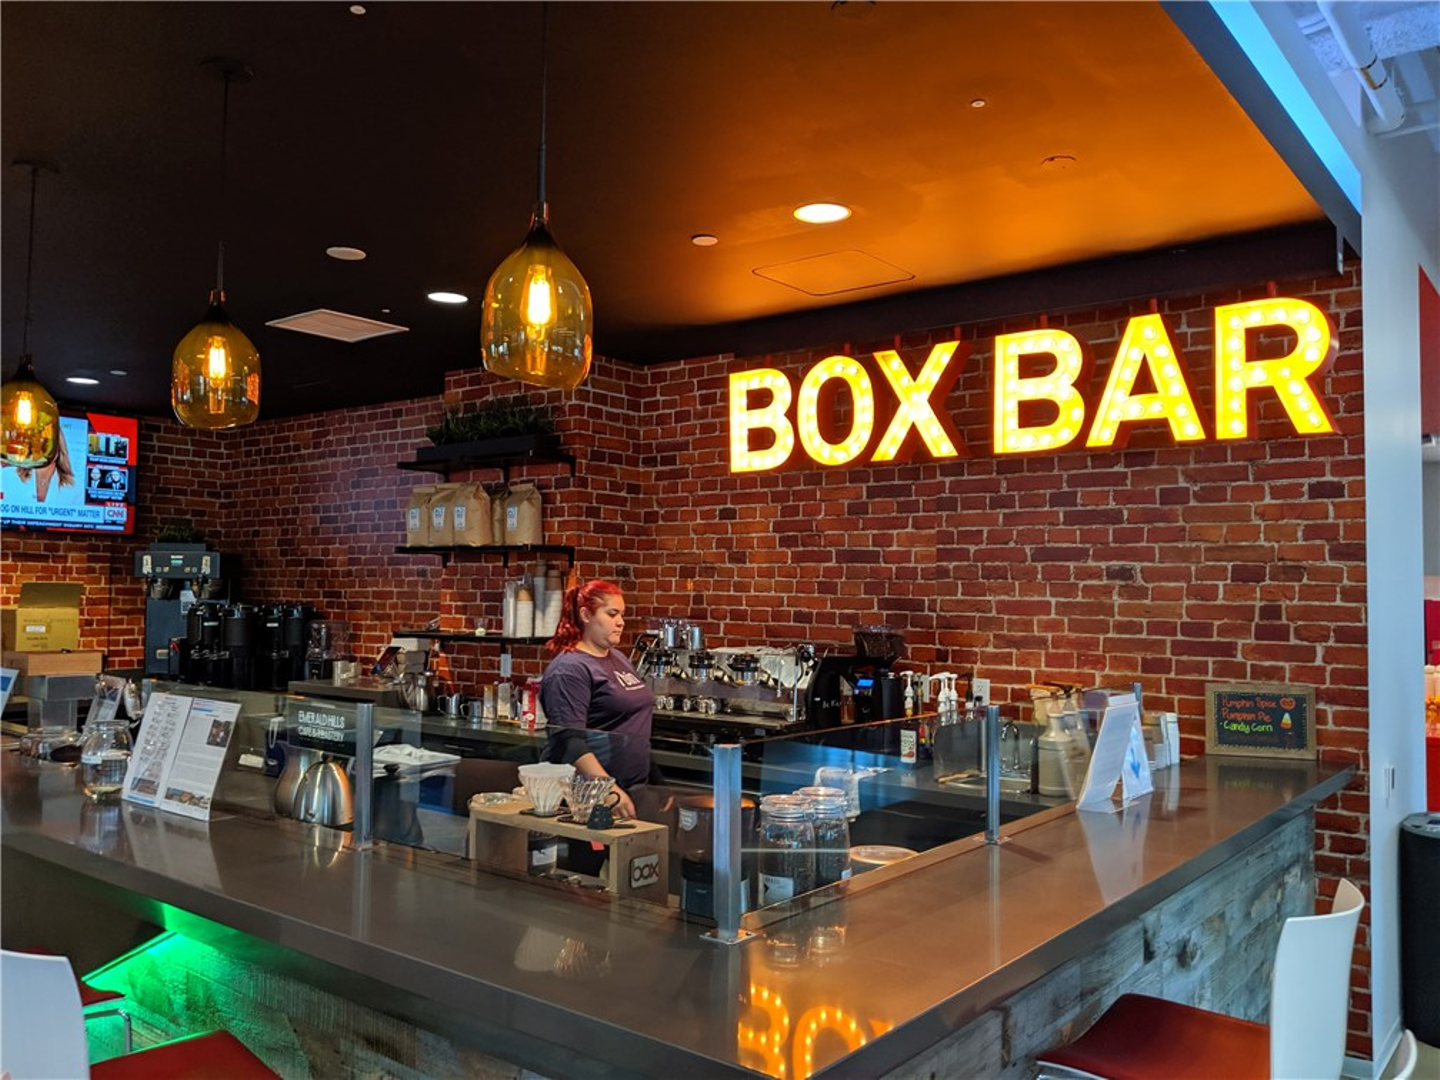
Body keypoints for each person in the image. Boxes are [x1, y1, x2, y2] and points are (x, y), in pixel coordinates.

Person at [539, 579, 656, 821]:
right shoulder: (569, 669)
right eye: (612, 614)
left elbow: (634, 727)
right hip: (587, 797)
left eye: (622, 614)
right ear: (586, 615)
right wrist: (607, 789)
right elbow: (568, 740)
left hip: (629, 790)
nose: (621, 622)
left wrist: (658, 783)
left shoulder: (618, 658)